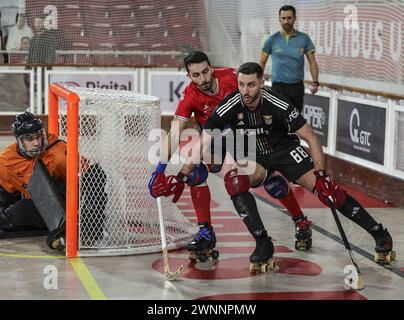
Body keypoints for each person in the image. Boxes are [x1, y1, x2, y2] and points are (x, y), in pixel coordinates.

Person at [153, 62, 396, 271]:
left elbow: (311, 138)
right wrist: (181, 177)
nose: (245, 91)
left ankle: (378, 232)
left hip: (284, 150)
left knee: (329, 193)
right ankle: (262, 243)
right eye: (241, 85)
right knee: (235, 181)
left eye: (251, 85)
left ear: (261, 83)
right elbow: (201, 143)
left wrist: (321, 174)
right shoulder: (230, 104)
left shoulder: (276, 101)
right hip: (252, 154)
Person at [148, 51, 314, 262]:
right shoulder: (189, 95)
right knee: (195, 173)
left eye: (206, 72)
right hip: (213, 137)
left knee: (273, 184)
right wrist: (160, 171)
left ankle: (300, 220)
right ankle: (206, 231)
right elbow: (174, 132)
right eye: (196, 75)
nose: (203, 79)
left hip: (244, 134)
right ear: (188, 77)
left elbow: (260, 97)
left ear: (212, 67)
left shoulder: (232, 78)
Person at [0, 112, 106, 250]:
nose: (37, 143)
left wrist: (88, 215)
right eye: (29, 139)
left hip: (65, 199)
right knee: (6, 220)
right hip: (34, 204)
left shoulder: (59, 153)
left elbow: (92, 177)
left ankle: (77, 227)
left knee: (96, 173)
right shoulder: (6, 161)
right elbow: (6, 193)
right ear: (19, 140)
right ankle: (59, 228)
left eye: (38, 136)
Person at [258, 5, 319, 112]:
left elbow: (312, 62)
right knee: (278, 122)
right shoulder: (271, 39)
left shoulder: (304, 38)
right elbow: (261, 63)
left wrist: (315, 82)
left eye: (289, 18)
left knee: (296, 122)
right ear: (279, 19)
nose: (286, 21)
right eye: (283, 18)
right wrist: (257, 82)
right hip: (278, 87)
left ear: (295, 18)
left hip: (297, 87)